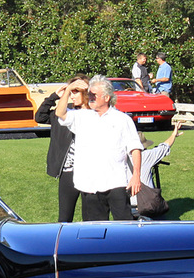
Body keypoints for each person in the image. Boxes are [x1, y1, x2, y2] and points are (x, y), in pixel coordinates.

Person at [54, 76, 143, 221]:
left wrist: (136, 176)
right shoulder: (81, 116)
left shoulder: (122, 119)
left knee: (125, 232)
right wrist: (69, 89)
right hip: (90, 185)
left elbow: (135, 148)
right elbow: (60, 113)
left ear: (107, 97)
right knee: (94, 235)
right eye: (89, 94)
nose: (90, 97)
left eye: (94, 95)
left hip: (116, 183)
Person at [35, 75, 89, 222]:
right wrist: (53, 97)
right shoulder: (63, 113)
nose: (72, 95)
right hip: (68, 171)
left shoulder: (94, 114)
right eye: (71, 91)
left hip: (90, 171)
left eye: (76, 91)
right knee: (65, 218)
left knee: (91, 218)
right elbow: (40, 117)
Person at [129, 120, 184, 219]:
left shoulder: (121, 159)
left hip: (126, 205)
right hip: (146, 204)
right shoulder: (146, 156)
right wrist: (174, 134)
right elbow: (164, 147)